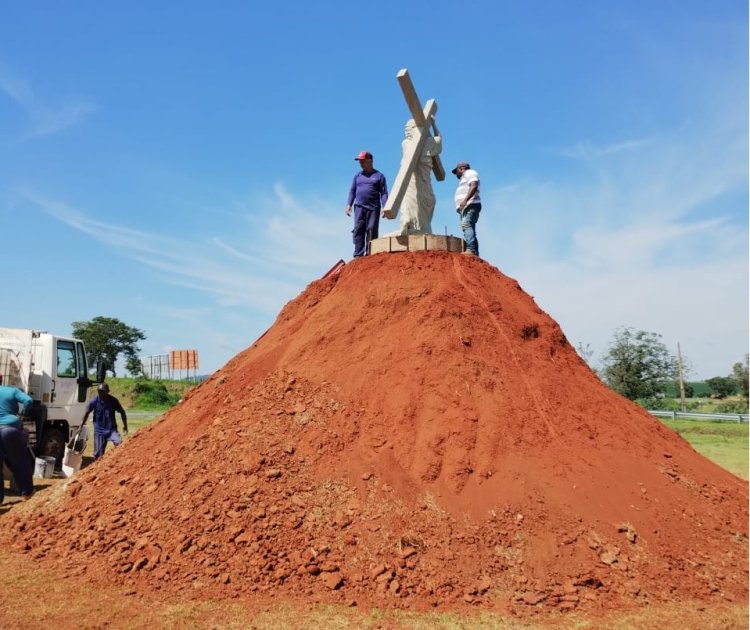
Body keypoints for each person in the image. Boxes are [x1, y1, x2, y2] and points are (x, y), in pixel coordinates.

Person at [345, 151, 389, 257]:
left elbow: (383, 193)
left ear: (370, 161)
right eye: (360, 161)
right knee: (358, 229)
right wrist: (349, 204)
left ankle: (370, 254)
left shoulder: (379, 176)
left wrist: (385, 206)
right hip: (359, 207)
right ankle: (358, 255)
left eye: (363, 161)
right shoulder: (358, 176)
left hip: (373, 208)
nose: (361, 163)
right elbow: (352, 191)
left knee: (371, 229)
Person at [0, 379, 35, 502]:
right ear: (2, 379)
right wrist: (22, 414)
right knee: (20, 462)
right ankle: (26, 493)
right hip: (10, 429)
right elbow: (28, 400)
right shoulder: (12, 391)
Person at [81, 383, 128, 461]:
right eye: (99, 391)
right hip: (99, 431)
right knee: (98, 455)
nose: (101, 393)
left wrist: (125, 425)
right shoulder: (94, 401)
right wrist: (81, 425)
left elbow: (122, 412)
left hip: (111, 430)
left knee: (119, 443)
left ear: (107, 391)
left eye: (103, 391)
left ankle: (116, 461)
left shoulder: (113, 401)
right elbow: (87, 412)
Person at [452, 161, 482, 257]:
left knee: (466, 224)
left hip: (470, 204)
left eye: (456, 171)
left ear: (461, 168)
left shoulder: (470, 173)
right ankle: (474, 252)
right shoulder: (465, 177)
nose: (456, 174)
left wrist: (465, 200)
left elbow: (474, 184)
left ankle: (471, 249)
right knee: (469, 227)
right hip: (467, 207)